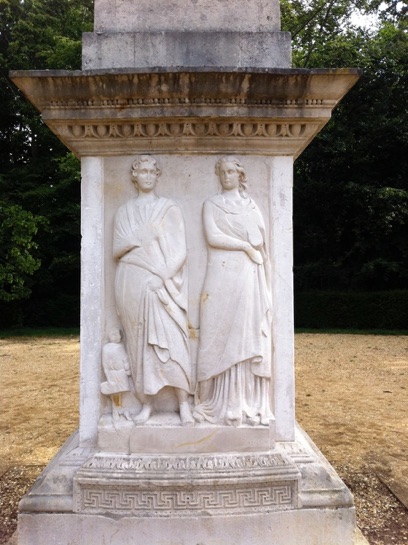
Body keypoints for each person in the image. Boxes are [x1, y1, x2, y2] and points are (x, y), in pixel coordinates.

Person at [113, 155, 193, 426]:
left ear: (158, 176)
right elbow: (117, 248)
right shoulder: (124, 211)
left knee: (173, 342)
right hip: (131, 281)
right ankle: (146, 405)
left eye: (151, 171)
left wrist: (162, 276)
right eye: (142, 171)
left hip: (162, 284)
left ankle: (184, 405)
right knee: (139, 345)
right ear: (134, 176)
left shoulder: (168, 208)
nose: (147, 175)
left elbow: (180, 250)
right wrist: (136, 239)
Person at [194, 156, 273, 426]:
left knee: (244, 334)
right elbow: (212, 236)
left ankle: (240, 402)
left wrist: (253, 247)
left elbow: (261, 242)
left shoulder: (251, 207)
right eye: (222, 171)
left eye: (231, 171)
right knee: (214, 332)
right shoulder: (212, 204)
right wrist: (245, 246)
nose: (226, 176)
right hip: (221, 274)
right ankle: (209, 400)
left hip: (248, 276)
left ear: (240, 175)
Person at [101, 329, 132, 420]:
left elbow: (125, 358)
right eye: (114, 335)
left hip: (121, 373)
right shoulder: (106, 348)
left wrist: (127, 369)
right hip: (112, 373)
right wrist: (108, 376)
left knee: (120, 390)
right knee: (115, 390)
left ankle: (119, 409)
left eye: (118, 335)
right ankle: (116, 410)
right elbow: (105, 364)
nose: (117, 337)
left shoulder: (121, 347)